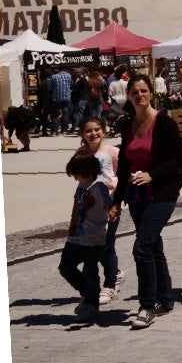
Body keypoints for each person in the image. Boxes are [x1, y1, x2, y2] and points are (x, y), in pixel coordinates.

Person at [109, 74, 182, 329]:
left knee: (141, 248)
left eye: (144, 91)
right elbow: (124, 167)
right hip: (137, 195)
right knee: (153, 247)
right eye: (135, 92)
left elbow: (178, 159)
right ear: (129, 96)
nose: (140, 96)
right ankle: (164, 300)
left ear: (151, 93)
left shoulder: (164, 122)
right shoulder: (129, 125)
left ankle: (146, 305)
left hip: (162, 193)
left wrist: (152, 175)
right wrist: (116, 201)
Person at [58, 150, 114, 322]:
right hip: (75, 236)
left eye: (76, 175)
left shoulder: (99, 187)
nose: (75, 179)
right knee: (65, 267)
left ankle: (91, 305)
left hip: (93, 239)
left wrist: (112, 212)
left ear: (87, 172)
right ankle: (88, 294)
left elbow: (109, 206)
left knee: (90, 272)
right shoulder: (82, 185)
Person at [77, 117, 123, 305]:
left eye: (97, 129)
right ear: (82, 134)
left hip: (109, 205)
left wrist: (113, 185)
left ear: (103, 131)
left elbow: (124, 174)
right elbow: (78, 175)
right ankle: (116, 273)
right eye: (88, 131)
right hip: (88, 207)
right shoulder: (81, 152)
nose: (93, 133)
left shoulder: (112, 152)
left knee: (106, 244)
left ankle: (110, 284)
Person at [46, 67, 74, 136]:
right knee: (65, 114)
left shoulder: (54, 76)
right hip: (66, 98)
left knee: (54, 115)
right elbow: (71, 85)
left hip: (56, 98)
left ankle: (54, 132)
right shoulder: (68, 75)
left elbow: (49, 87)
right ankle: (64, 130)